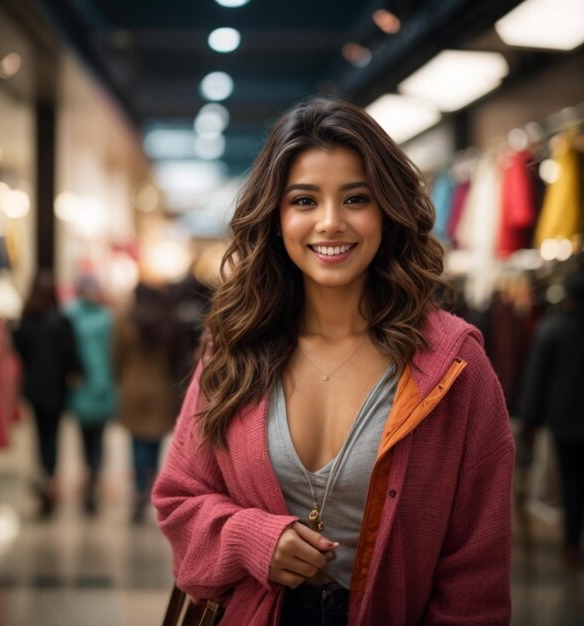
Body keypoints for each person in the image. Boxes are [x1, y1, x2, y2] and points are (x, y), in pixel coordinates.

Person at [152, 97, 514, 625]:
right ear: (275, 217)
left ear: (386, 211)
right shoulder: (233, 346)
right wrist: (253, 539)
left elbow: (475, 572)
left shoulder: (454, 366)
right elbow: (180, 500)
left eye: (355, 198)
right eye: (304, 200)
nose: (329, 222)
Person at [519, 267, 584, 568]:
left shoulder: (553, 329)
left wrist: (530, 421)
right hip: (566, 419)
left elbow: (537, 378)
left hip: (566, 422)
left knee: (571, 481)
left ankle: (572, 544)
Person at [13, 270, 83, 517]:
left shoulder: (27, 319)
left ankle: (44, 479)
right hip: (55, 388)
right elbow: (70, 354)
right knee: (52, 437)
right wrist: (75, 372)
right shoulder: (61, 321)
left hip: (34, 387)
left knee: (40, 436)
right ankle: (49, 480)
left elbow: (19, 349)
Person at [113, 282, 179, 523]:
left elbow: (116, 354)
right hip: (161, 388)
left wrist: (119, 377)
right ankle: (150, 487)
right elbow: (177, 358)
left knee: (136, 442)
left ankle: (139, 489)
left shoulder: (126, 321)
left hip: (133, 386)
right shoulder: (167, 322)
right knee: (154, 442)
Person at [65, 274, 117, 515]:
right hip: (97, 384)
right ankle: (93, 477)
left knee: (88, 435)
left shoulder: (71, 315)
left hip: (84, 385)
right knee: (96, 437)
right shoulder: (106, 318)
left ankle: (90, 476)